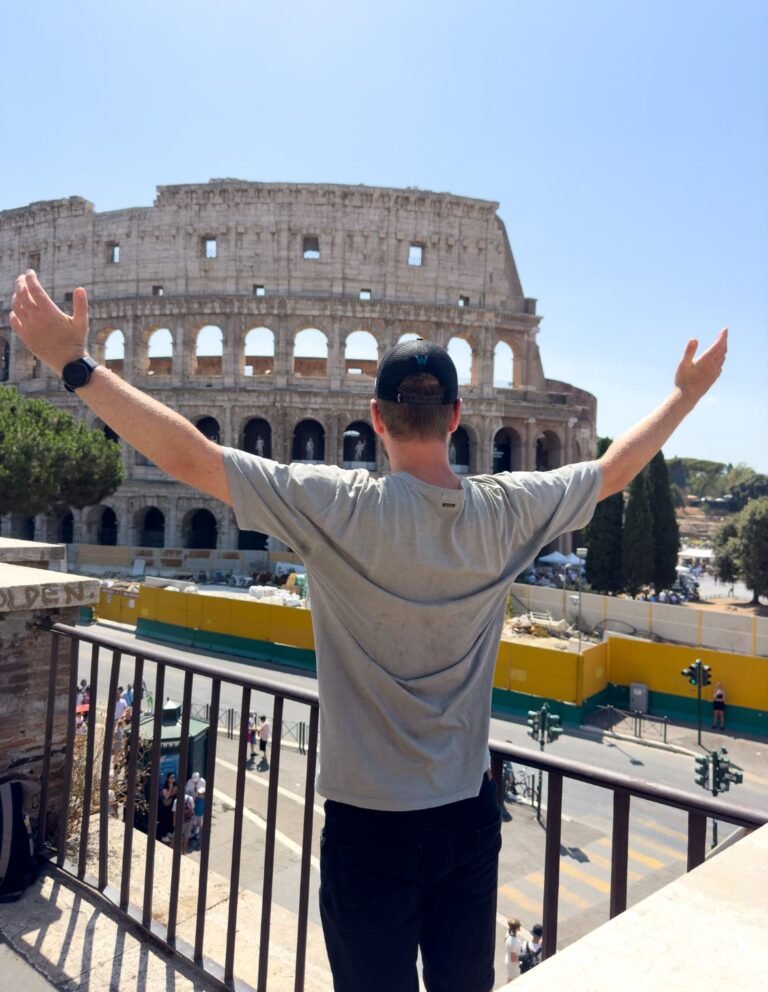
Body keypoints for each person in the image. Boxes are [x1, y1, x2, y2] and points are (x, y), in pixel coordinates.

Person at [8, 271, 727, 992]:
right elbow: (612, 470)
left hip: (369, 824)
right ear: (456, 416)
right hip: (468, 816)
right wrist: (685, 396)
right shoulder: (510, 511)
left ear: (375, 419)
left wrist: (77, 366)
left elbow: (192, 457)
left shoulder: (334, 506)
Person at [158, 772, 177, 843]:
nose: (173, 779)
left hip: (171, 805)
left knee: (170, 819)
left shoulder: (175, 785)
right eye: (171, 777)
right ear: (168, 779)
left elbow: (174, 792)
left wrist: (171, 791)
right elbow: (166, 796)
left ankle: (169, 832)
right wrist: (170, 789)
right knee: (164, 820)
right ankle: (163, 835)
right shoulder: (165, 787)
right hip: (164, 806)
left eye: (174, 777)